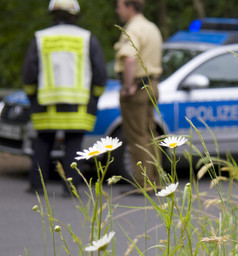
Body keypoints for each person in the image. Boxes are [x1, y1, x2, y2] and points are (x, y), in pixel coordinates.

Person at [22, 0, 107, 196]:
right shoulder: (87, 38)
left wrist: (32, 95)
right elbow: (100, 72)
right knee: (74, 144)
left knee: (43, 143)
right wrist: (95, 96)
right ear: (74, 15)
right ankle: (71, 188)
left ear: (52, 14)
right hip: (78, 105)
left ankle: (36, 185)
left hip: (45, 104)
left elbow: (29, 73)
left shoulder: (40, 38)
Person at [114, 0, 163, 186]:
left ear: (130, 7)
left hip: (137, 88)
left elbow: (129, 60)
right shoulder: (152, 27)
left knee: (137, 137)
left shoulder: (133, 29)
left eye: (119, 6)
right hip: (152, 85)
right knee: (151, 133)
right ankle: (156, 179)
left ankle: (144, 182)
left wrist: (127, 87)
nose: (117, 10)